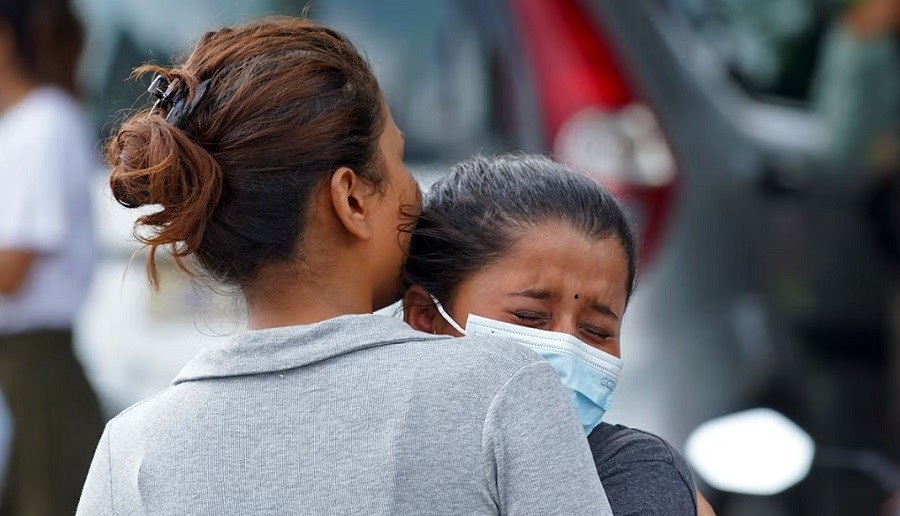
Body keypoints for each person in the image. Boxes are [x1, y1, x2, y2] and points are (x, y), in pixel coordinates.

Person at [76, 18, 613, 515]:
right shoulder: (503, 389)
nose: (416, 193)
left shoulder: (130, 450)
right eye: (398, 162)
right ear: (351, 200)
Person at [403, 154, 716, 516]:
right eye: (529, 316)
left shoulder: (634, 476)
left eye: (596, 331)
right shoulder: (353, 451)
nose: (568, 347)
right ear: (426, 318)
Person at [0, 0, 104, 514]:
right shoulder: (24, 126)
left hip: (37, 364)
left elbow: (12, 270)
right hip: (22, 365)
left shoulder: (44, 124)